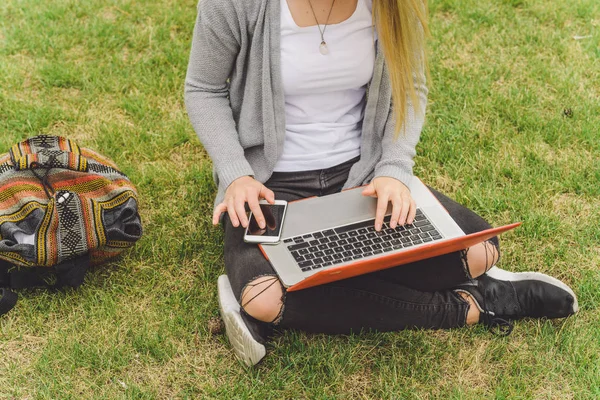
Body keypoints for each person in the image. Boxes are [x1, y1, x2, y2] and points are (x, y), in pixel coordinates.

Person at [185, 0, 578, 366]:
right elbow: (203, 89)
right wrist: (238, 173)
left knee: (481, 251)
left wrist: (393, 168)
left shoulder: (392, 4)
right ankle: (473, 305)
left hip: (363, 177)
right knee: (265, 297)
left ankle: (295, 296)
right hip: (270, 186)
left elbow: (413, 86)